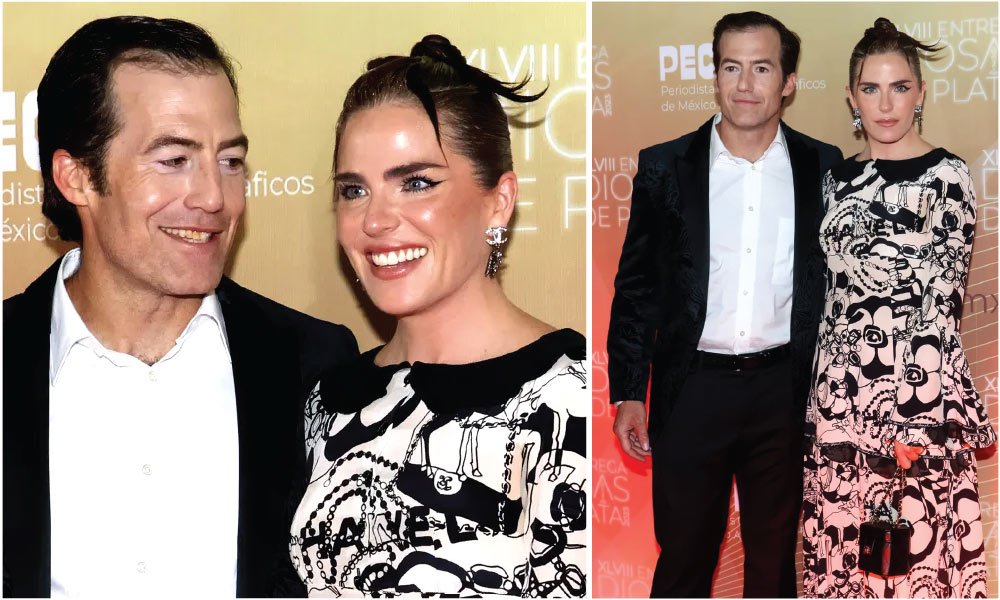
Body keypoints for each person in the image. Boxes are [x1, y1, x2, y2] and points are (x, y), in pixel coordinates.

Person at [3, 16, 358, 598]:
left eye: (230, 161)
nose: (215, 198)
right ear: (77, 176)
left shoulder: (313, 362)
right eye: (174, 160)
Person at [288, 35, 587, 597]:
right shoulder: (326, 402)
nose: (375, 221)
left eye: (416, 183)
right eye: (354, 190)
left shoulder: (573, 399)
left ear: (499, 202)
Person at [607, 11, 843, 597]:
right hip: (692, 389)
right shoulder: (665, 166)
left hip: (784, 392)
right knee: (684, 558)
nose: (745, 84)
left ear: (788, 82)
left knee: (773, 564)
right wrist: (630, 391)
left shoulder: (825, 167)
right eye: (731, 67)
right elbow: (637, 288)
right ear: (715, 77)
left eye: (761, 68)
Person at [802, 18, 996, 597]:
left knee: (910, 561)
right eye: (871, 88)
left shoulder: (947, 177)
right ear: (851, 96)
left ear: (920, 93)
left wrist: (910, 417)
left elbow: (941, 305)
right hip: (838, 400)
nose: (885, 105)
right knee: (844, 556)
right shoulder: (836, 180)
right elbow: (832, 298)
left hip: (912, 393)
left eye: (899, 87)